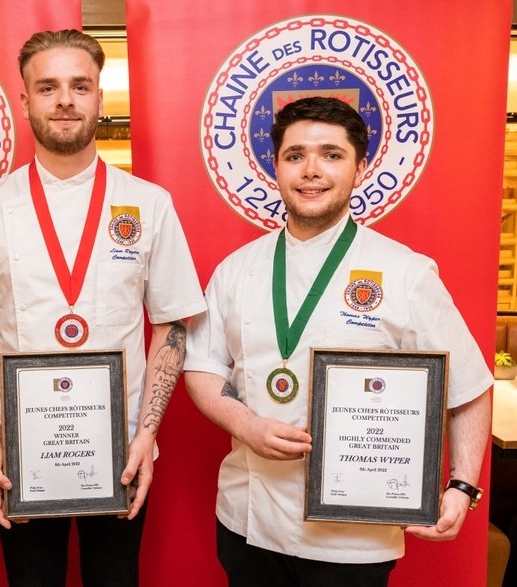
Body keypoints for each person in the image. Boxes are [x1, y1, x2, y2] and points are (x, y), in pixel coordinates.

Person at [184, 96, 492, 586]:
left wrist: (461, 485)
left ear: (360, 167)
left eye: (331, 154)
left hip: (354, 536)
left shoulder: (406, 273)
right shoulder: (236, 270)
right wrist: (245, 423)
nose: (311, 171)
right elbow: (203, 367)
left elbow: (469, 387)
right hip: (247, 518)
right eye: (294, 156)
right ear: (276, 167)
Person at [0, 29, 206, 586]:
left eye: (80, 86)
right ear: (26, 100)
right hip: (22, 452)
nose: (65, 100)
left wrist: (146, 436)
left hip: (122, 450)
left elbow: (172, 325)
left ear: (100, 99)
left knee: (116, 578)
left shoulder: (148, 204)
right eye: (48, 87)